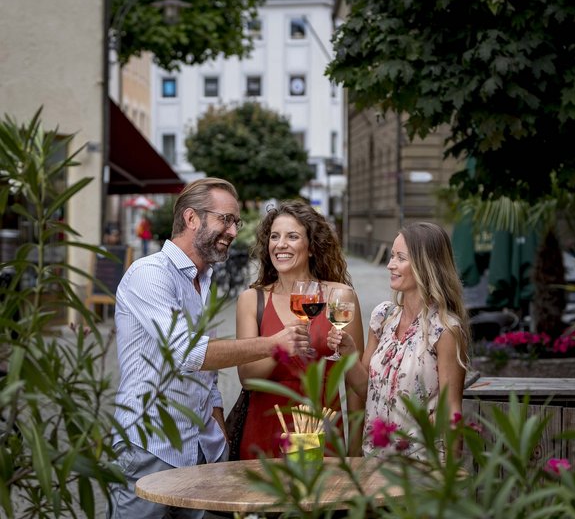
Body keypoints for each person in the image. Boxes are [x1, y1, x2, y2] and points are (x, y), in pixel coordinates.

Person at [107, 178, 309, 519]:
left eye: (235, 222)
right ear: (191, 219)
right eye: (225, 219)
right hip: (149, 443)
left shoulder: (201, 279)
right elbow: (188, 353)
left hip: (198, 446)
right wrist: (273, 344)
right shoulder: (151, 274)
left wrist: (216, 416)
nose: (231, 231)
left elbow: (204, 364)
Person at [327, 221, 470, 459]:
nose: (390, 265)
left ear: (426, 266)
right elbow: (365, 390)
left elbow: (451, 411)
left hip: (422, 464)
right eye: (392, 256)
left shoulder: (445, 330)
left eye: (400, 258)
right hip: (375, 459)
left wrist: (451, 481)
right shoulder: (382, 317)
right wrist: (349, 354)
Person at [235, 200, 364, 459]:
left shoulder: (340, 295)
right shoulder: (252, 299)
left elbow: (354, 383)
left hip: (322, 428)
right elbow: (247, 377)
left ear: (312, 247)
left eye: (292, 236)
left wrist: (354, 448)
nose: (280, 244)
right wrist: (279, 346)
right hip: (265, 428)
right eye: (274, 237)